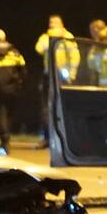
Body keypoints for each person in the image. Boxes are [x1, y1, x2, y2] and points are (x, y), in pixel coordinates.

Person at [34, 15, 79, 146]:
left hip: (62, 76)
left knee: (63, 106)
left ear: (62, 24)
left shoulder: (67, 36)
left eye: (55, 22)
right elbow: (39, 49)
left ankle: (65, 137)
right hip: (49, 75)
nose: (52, 24)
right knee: (47, 106)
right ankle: (47, 137)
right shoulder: (45, 37)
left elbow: (74, 56)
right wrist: (49, 37)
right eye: (51, 22)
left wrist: (71, 74)